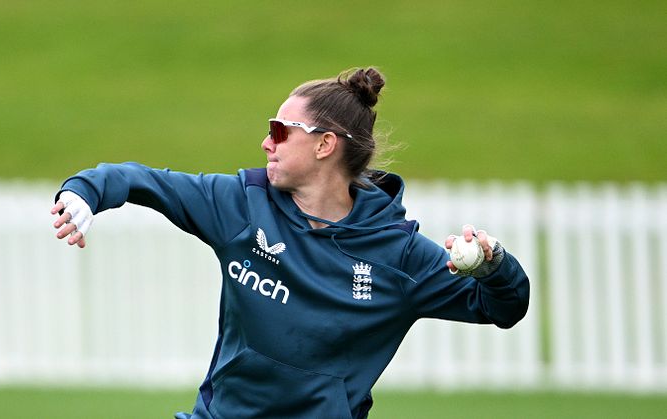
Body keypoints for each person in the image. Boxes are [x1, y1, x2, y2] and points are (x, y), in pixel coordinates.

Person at [50, 67, 530, 419]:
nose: (267, 142)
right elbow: (141, 180)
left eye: (281, 131)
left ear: (325, 145)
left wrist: (495, 267)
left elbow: (505, 307)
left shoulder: (398, 256)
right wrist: (84, 193)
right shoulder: (242, 203)